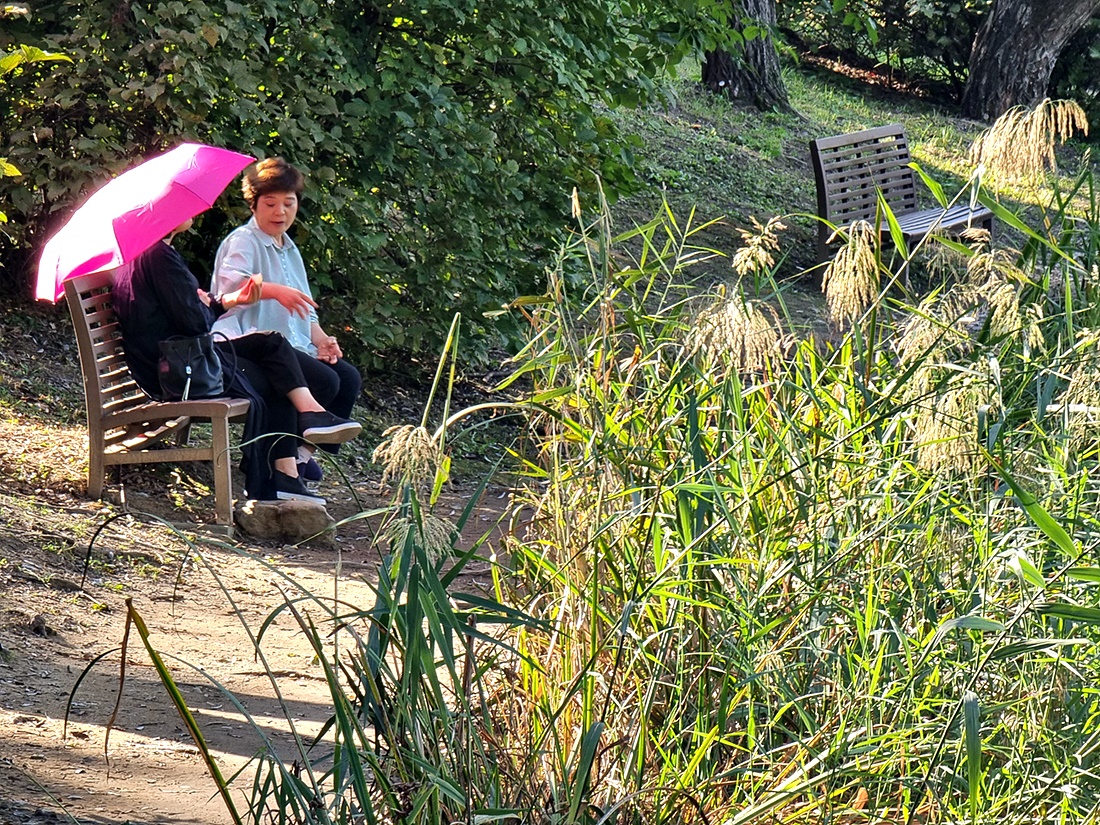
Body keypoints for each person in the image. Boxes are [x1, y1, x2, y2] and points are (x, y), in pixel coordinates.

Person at [111, 217, 362, 504]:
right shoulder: (158, 257)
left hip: (181, 360)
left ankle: (309, 418)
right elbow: (196, 323)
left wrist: (227, 300)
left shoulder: (149, 254)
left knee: (272, 343)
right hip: (180, 370)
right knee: (274, 374)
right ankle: (285, 474)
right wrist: (204, 306)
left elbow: (189, 314)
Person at [211, 158, 362, 481]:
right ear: (253, 205)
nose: (280, 212)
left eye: (288, 203)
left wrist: (322, 340)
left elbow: (304, 308)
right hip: (249, 342)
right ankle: (278, 457)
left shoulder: (289, 247)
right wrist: (274, 291)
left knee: (347, 378)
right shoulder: (243, 240)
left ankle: (302, 455)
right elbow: (231, 289)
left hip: (291, 344)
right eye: (270, 204)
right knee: (325, 381)